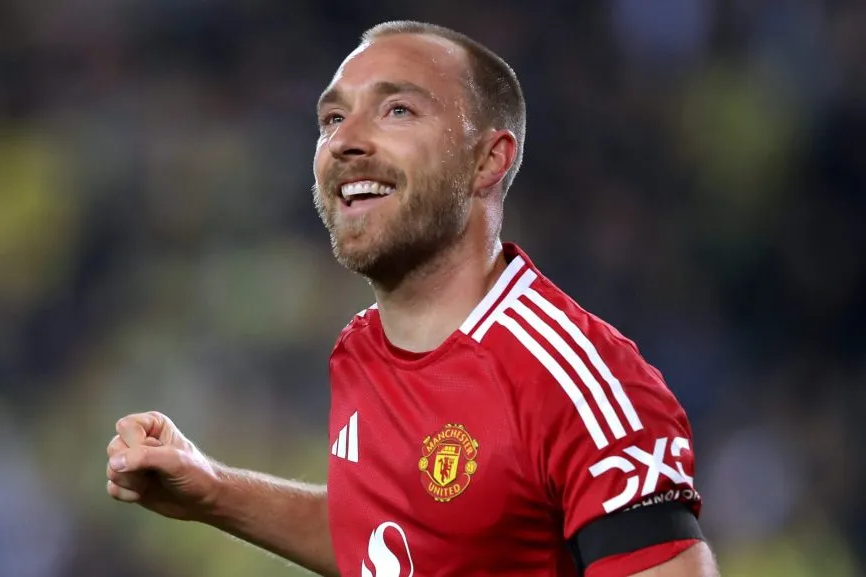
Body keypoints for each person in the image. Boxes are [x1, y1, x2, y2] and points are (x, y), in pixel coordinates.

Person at [105, 20, 719, 577]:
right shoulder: (361, 350)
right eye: (332, 120)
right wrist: (213, 490)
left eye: (397, 110)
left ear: (488, 161)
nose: (346, 140)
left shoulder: (578, 383)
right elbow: (397, 543)